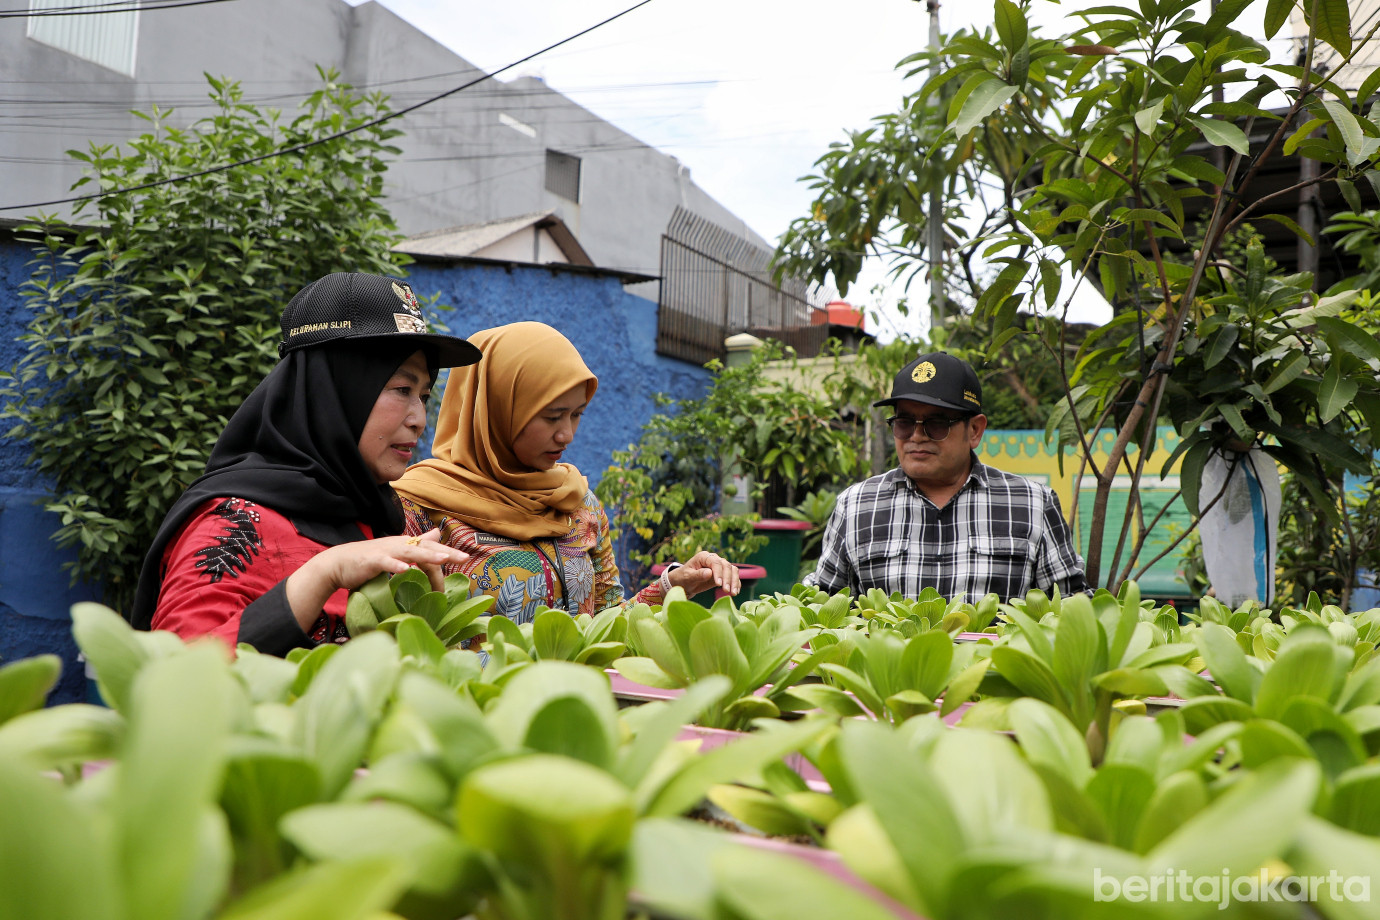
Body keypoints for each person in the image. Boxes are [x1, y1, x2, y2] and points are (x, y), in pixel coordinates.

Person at [129, 272, 480, 655]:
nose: (419, 418)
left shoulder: (374, 513)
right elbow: (181, 677)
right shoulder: (233, 524)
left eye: (423, 395)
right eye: (401, 389)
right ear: (331, 393)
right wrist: (321, 575)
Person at [392, 321, 740, 623]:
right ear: (497, 408)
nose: (566, 434)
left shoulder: (577, 502)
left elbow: (607, 622)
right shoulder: (418, 507)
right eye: (552, 416)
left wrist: (673, 586)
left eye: (576, 414)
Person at [806, 351, 1088, 601]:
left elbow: (1070, 609)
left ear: (975, 430)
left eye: (936, 424)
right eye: (904, 423)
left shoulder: (1033, 505)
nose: (916, 436)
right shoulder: (855, 506)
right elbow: (819, 606)